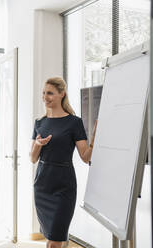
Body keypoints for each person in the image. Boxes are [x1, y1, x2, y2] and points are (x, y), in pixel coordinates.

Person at [30, 77, 97, 248]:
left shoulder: (74, 122)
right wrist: (38, 144)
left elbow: (85, 156)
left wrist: (95, 138)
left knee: (55, 241)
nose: (45, 97)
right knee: (51, 239)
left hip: (63, 186)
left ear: (62, 94)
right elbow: (32, 158)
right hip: (42, 185)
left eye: (50, 93)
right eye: (44, 93)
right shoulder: (40, 123)